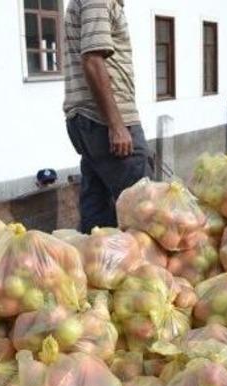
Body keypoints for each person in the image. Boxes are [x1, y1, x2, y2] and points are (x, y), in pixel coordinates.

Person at [64, 0, 150, 234]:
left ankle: (102, 264)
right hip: (105, 120)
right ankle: (147, 269)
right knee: (146, 212)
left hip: (88, 119)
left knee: (97, 212)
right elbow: (93, 60)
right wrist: (117, 125)